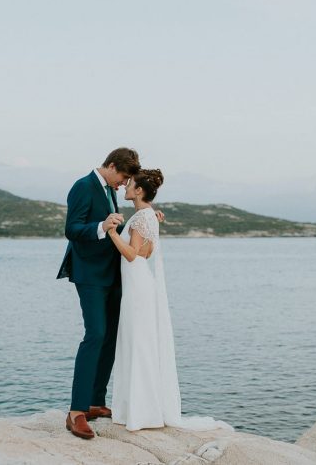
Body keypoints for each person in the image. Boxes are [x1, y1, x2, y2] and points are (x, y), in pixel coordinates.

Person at [107, 169, 229, 432]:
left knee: (138, 343)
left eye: (130, 184)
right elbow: (146, 252)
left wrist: (113, 233)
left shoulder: (142, 218)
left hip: (137, 287)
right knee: (141, 343)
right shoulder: (149, 216)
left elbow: (132, 255)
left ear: (139, 191)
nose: (126, 186)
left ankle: (140, 411)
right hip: (141, 284)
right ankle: (141, 408)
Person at [56, 148, 138, 440]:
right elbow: (72, 229)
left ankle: (95, 401)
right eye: (123, 177)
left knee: (110, 335)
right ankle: (76, 412)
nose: (122, 183)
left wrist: (145, 218)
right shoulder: (82, 186)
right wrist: (100, 226)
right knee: (95, 334)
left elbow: (112, 228)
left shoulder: (108, 189)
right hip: (89, 273)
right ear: (112, 165)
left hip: (111, 272)